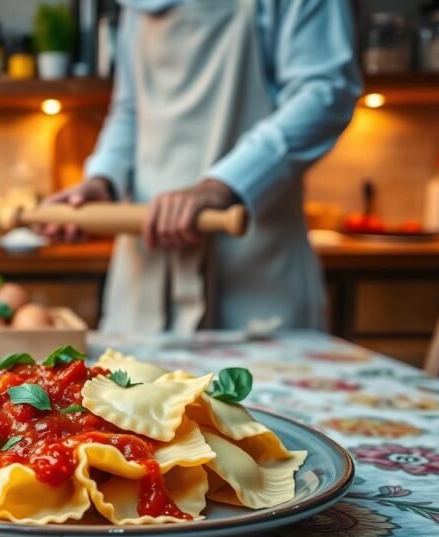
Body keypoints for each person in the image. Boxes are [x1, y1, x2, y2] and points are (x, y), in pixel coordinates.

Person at [43, 0, 360, 335]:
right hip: (143, 275)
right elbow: (130, 110)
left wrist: (223, 185)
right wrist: (103, 179)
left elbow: (326, 92)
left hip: (254, 273)